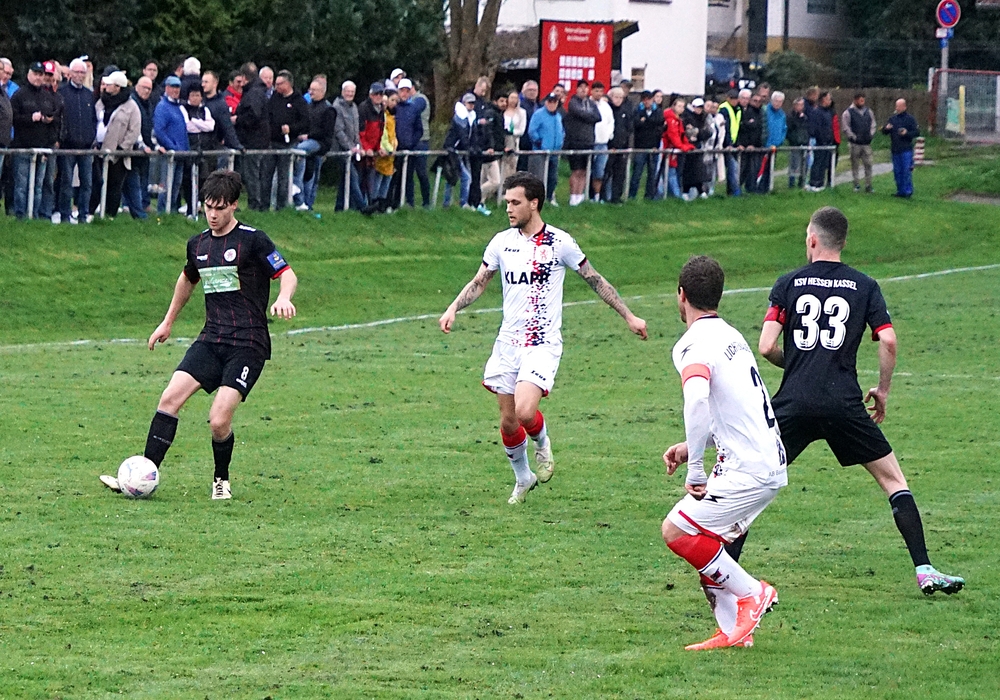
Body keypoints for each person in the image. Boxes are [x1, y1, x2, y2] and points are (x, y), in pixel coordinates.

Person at [757, 206, 965, 596]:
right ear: (843, 242)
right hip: (844, 403)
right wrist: (882, 390)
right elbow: (888, 340)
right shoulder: (865, 286)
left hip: (794, 402)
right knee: (893, 480)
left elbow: (766, 346)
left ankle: (719, 570)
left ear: (812, 239)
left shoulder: (788, 283)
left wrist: (801, 363)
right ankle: (924, 569)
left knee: (751, 481)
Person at [438, 171, 647, 504]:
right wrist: (452, 308)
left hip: (542, 342)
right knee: (508, 422)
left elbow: (595, 279)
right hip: (508, 342)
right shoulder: (501, 242)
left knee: (524, 412)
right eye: (507, 202)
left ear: (534, 204)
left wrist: (629, 316)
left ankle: (542, 442)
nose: (508, 208)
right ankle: (523, 478)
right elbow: (479, 281)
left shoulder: (559, 243)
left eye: (515, 202)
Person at [99, 170, 297, 501]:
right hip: (212, 339)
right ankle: (141, 476)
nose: (213, 214)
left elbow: (286, 274)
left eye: (220, 207)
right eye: (208, 207)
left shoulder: (253, 240)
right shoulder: (198, 244)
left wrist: (284, 297)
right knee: (169, 399)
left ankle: (221, 479)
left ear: (233, 205)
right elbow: (187, 280)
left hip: (248, 343)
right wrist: (167, 322)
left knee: (218, 421)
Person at [662, 254, 785, 650]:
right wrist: (691, 446)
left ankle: (753, 593)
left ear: (681, 295)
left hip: (748, 468)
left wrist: (696, 469)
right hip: (765, 459)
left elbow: (697, 397)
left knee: (677, 530)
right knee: (707, 543)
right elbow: (736, 410)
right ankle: (734, 632)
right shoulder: (731, 336)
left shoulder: (693, 344)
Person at [10, 62, 60, 220]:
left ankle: (35, 215)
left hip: (42, 148)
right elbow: (13, 118)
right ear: (28, 74)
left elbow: (54, 120)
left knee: (38, 185)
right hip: (23, 147)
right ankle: (21, 215)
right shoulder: (19, 95)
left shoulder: (48, 97)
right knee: (22, 185)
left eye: (41, 74)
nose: (38, 78)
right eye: (35, 74)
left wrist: (48, 122)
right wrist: (30, 118)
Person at [100, 71, 145, 220]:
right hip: (99, 151)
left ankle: (110, 215)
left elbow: (134, 130)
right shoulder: (101, 102)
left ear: (117, 87)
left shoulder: (132, 107)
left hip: (119, 156)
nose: (106, 86)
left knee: (115, 185)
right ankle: (95, 211)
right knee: (98, 182)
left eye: (109, 84)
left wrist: (122, 149)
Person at [262, 70, 309, 210]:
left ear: (288, 84)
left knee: (284, 177)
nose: (276, 87)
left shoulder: (299, 101)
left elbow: (305, 122)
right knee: (266, 175)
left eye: (279, 84)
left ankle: (281, 207)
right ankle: (263, 206)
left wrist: (291, 129)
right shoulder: (274, 99)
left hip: (288, 144)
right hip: (273, 143)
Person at [57, 57, 96, 225]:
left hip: (86, 146)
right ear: (70, 73)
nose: (80, 75)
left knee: (87, 183)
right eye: (77, 72)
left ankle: (82, 215)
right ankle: (65, 215)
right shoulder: (62, 93)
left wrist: (91, 136)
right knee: (66, 182)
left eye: (82, 72)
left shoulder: (89, 95)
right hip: (68, 146)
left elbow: (93, 118)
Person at [234, 66, 270, 211]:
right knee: (256, 173)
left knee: (252, 174)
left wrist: (238, 119)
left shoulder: (253, 93)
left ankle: (255, 204)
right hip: (260, 139)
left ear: (244, 77)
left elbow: (253, 116)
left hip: (253, 140)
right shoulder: (259, 91)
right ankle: (259, 203)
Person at [296, 78, 336, 211]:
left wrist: (308, 136)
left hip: (320, 143)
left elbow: (326, 132)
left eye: (314, 90)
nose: (310, 92)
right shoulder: (308, 107)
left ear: (322, 91)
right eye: (310, 89)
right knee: (308, 172)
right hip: (308, 141)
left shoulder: (328, 110)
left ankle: (307, 202)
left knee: (310, 172)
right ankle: (301, 200)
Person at [153, 75, 189, 214]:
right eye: (173, 87)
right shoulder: (162, 107)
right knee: (167, 185)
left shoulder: (178, 107)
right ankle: (162, 213)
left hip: (180, 154)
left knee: (176, 185)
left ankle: (171, 213)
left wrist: (185, 150)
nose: (175, 90)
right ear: (166, 88)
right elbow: (159, 131)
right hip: (170, 154)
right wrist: (172, 147)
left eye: (177, 87)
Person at [563, 79, 600, 206]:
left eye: (586, 87)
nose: (583, 89)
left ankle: (580, 196)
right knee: (576, 170)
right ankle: (573, 196)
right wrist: (589, 116)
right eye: (581, 87)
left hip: (589, 141)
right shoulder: (573, 102)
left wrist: (587, 115)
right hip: (576, 141)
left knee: (584, 171)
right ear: (577, 89)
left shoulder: (591, 103)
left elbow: (597, 117)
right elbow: (580, 114)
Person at [394, 78, 430, 208]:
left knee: (409, 175)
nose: (404, 94)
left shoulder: (414, 108)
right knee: (395, 177)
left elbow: (419, 130)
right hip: (395, 148)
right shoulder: (394, 108)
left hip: (409, 148)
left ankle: (411, 203)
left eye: (407, 91)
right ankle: (394, 203)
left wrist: (411, 142)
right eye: (402, 91)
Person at [526, 92, 564, 205]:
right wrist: (539, 142)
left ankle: (550, 197)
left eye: (554, 102)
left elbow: (561, 131)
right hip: (541, 151)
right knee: (539, 177)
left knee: (553, 177)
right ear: (546, 102)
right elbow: (532, 130)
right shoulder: (538, 114)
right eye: (550, 101)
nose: (552, 104)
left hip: (555, 152)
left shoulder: (558, 116)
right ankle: (537, 199)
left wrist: (561, 142)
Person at [332, 80, 365, 211]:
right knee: (352, 176)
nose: (350, 94)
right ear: (342, 92)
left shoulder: (354, 107)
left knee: (345, 179)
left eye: (352, 92)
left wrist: (359, 147)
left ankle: (339, 207)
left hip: (352, 150)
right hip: (340, 150)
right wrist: (350, 147)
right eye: (347, 91)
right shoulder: (337, 107)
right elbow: (338, 131)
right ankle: (362, 207)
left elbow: (356, 132)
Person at [441, 94, 475, 209]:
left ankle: (448, 203)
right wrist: (468, 147)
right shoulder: (460, 116)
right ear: (464, 103)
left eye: (473, 103)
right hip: (453, 150)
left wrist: (474, 146)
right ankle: (461, 203)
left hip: (460, 151)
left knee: (453, 177)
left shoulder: (471, 116)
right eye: (469, 103)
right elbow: (462, 134)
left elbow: (472, 134)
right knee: (459, 176)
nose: (471, 105)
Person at [629, 91, 664, 200]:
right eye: (644, 99)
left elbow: (659, 123)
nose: (647, 101)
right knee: (637, 173)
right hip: (640, 146)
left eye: (649, 99)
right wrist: (648, 123)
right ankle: (632, 195)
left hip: (653, 146)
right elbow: (636, 124)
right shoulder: (637, 110)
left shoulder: (658, 111)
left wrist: (645, 121)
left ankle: (650, 195)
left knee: (652, 173)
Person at [883, 98, 919, 199]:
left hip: (906, 149)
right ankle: (900, 191)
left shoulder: (910, 119)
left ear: (904, 107)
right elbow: (884, 131)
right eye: (896, 106)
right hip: (895, 149)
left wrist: (906, 133)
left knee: (906, 171)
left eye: (899, 106)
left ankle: (908, 191)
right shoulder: (893, 119)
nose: (897, 108)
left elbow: (916, 132)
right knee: (897, 171)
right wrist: (886, 129)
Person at [662, 96, 695, 200]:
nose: (681, 108)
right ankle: (676, 196)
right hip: (668, 149)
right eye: (679, 106)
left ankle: (671, 196)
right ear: (673, 106)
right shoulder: (671, 120)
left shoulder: (678, 120)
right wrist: (683, 147)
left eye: (683, 106)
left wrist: (687, 145)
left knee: (671, 172)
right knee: (671, 173)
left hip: (673, 150)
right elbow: (673, 136)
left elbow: (681, 135)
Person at [842, 93, 876, 194]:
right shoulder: (848, 112)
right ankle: (856, 184)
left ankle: (868, 185)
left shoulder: (869, 111)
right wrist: (853, 137)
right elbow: (845, 127)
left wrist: (871, 134)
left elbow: (873, 124)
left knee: (868, 164)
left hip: (866, 143)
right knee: (855, 164)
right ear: (855, 100)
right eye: (861, 100)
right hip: (855, 144)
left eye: (863, 100)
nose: (862, 102)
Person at [605, 86, 632, 204]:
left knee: (620, 173)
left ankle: (616, 197)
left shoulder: (625, 111)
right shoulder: (608, 110)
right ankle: (602, 195)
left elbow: (629, 128)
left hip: (621, 147)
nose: (618, 99)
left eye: (621, 97)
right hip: (609, 147)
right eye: (616, 97)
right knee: (606, 172)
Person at [736, 91, 765, 194]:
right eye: (743, 98)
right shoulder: (738, 110)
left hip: (753, 145)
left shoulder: (756, 112)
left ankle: (750, 189)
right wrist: (739, 143)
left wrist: (754, 144)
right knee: (741, 169)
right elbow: (739, 129)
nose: (745, 100)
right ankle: (736, 190)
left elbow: (757, 129)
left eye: (747, 98)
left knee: (752, 169)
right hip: (741, 145)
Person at [806, 91, 834, 192]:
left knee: (824, 163)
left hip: (827, 142)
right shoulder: (817, 112)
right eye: (828, 99)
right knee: (817, 162)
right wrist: (821, 138)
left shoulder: (828, 112)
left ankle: (820, 182)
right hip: (819, 142)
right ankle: (813, 183)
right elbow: (816, 128)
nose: (830, 101)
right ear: (823, 99)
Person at [590, 81, 613, 201]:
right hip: (590, 143)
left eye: (601, 91)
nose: (599, 93)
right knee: (587, 171)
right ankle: (583, 195)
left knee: (599, 172)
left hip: (603, 143)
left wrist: (608, 136)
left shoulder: (606, 106)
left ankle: (597, 196)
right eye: (596, 91)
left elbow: (610, 122)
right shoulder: (587, 104)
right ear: (591, 91)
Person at [717, 89, 742, 196]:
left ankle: (732, 190)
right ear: (728, 98)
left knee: (733, 168)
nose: (734, 101)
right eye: (732, 99)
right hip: (727, 144)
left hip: (734, 142)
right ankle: (735, 191)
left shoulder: (738, 109)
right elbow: (725, 128)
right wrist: (728, 144)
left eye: (736, 99)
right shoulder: (724, 109)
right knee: (733, 167)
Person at [501, 89, 527, 183]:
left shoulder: (522, 112)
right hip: (502, 140)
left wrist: (511, 132)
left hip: (514, 141)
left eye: (515, 98)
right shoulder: (502, 111)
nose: (513, 100)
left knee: (511, 166)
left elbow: (522, 130)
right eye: (511, 97)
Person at [516, 80, 540, 172]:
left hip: (535, 144)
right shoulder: (520, 106)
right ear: (523, 91)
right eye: (530, 90)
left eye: (534, 90)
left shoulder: (538, 106)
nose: (532, 92)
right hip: (523, 143)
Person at [786, 98, 809, 189]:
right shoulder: (790, 116)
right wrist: (793, 140)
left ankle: (801, 183)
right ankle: (791, 184)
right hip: (795, 144)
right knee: (794, 165)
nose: (801, 107)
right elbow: (790, 129)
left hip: (804, 143)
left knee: (805, 165)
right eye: (799, 105)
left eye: (802, 105)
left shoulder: (805, 117)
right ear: (795, 105)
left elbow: (806, 130)